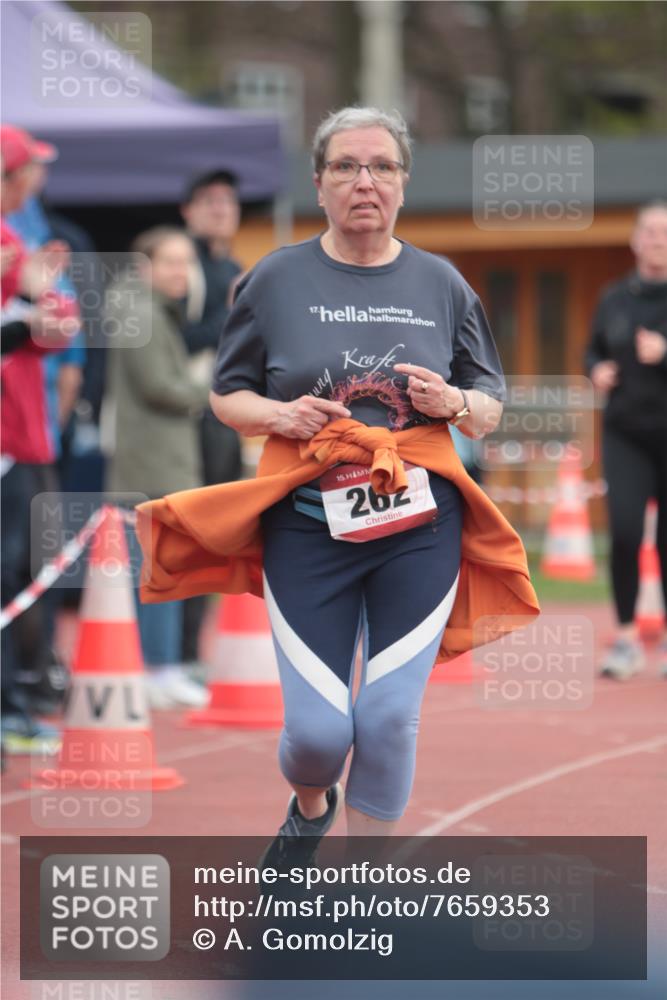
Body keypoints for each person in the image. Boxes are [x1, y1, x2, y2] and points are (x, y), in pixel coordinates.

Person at [135, 106, 539, 859]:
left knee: (387, 718)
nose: (365, 181)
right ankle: (310, 803)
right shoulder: (274, 278)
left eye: (382, 167)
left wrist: (452, 403)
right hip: (305, 524)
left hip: (419, 524)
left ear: (402, 185)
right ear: (318, 184)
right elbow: (228, 394)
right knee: (318, 735)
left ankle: (363, 888)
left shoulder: (441, 283)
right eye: (347, 167)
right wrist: (280, 416)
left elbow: (487, 407)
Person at [102, 226, 211, 708]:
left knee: (154, 569)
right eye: (171, 261)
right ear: (143, 266)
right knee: (159, 569)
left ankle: (158, 666)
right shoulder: (139, 311)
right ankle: (157, 668)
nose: (181, 272)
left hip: (153, 461)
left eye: (186, 262)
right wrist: (208, 393)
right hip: (153, 465)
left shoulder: (141, 310)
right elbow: (160, 387)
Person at [1, 126, 78, 753]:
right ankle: (11, 703)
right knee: (10, 573)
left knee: (27, 571)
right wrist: (26, 307)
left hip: (28, 434)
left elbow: (61, 325)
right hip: (11, 438)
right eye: (30, 169)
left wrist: (37, 307)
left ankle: (21, 696)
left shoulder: (16, 236)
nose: (37, 180)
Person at [585, 201, 667, 679]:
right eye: (649, 232)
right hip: (625, 433)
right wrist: (596, 368)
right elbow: (590, 348)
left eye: (664, 232)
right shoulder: (614, 297)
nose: (656, 240)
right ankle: (626, 639)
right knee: (626, 533)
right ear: (636, 241)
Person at [179, 170, 244, 666]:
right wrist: (230, 312)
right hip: (186, 414)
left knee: (214, 535)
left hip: (227, 414)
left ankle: (192, 653)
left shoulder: (236, 267)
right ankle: (172, 656)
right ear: (189, 210)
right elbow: (179, 340)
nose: (221, 208)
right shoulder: (181, 266)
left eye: (228, 200)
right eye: (209, 200)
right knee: (185, 532)